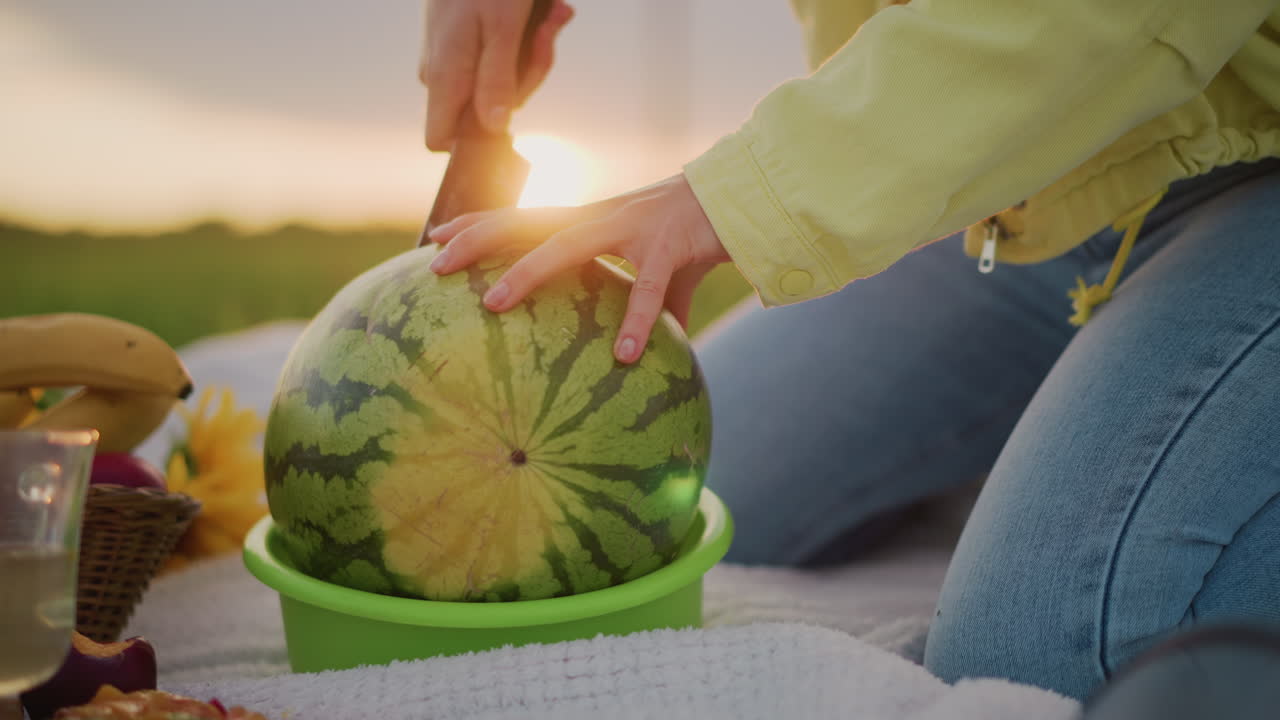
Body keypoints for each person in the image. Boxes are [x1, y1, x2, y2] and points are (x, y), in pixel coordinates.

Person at [419, 0, 1280, 701]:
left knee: (1031, 656)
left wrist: (735, 198)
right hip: (1023, 189)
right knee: (672, 489)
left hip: (1256, 173)